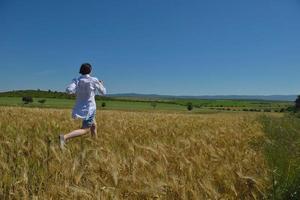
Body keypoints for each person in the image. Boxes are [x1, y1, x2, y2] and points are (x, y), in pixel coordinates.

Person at [59, 63, 106, 149]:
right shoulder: (94, 80)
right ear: (90, 70)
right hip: (90, 108)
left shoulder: (77, 80)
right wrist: (101, 84)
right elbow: (103, 92)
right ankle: (64, 137)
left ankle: (95, 145)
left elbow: (69, 90)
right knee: (86, 129)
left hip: (79, 107)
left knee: (94, 125)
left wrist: (77, 91)